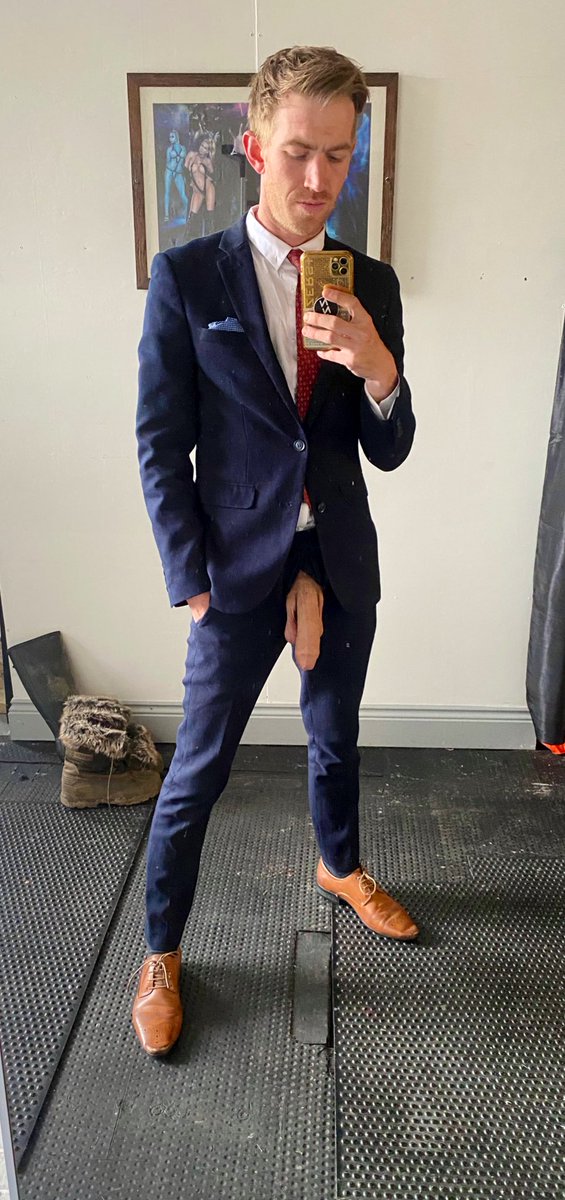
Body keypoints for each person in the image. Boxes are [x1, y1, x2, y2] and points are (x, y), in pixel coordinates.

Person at [132, 45, 418, 1058]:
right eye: (298, 151)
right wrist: (191, 585)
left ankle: (339, 866)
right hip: (233, 569)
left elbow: (388, 447)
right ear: (254, 148)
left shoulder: (368, 282)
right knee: (196, 771)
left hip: (337, 554)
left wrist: (377, 368)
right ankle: (160, 950)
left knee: (335, 737)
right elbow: (160, 443)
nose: (317, 178)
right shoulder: (186, 276)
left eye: (338, 155)